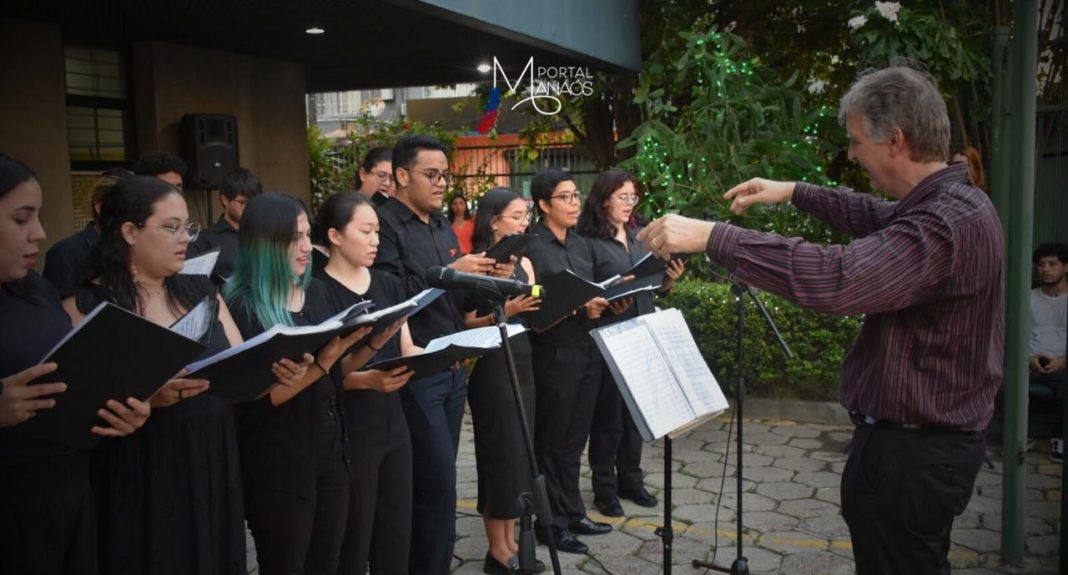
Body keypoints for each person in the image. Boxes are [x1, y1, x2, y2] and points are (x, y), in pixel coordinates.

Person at [639, 65, 1003, 575]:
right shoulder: (945, 204)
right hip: (911, 448)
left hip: (915, 456)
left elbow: (839, 278)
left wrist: (714, 237)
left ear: (895, 140)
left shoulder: (945, 223)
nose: (852, 154)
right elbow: (868, 214)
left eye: (856, 141)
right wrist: (792, 190)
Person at [62, 175, 288, 575]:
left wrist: (278, 366)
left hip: (211, 450)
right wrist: (150, 397)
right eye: (170, 228)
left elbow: (239, 363)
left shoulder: (201, 290)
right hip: (139, 464)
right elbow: (72, 406)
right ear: (129, 231)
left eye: (188, 227)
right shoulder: (86, 304)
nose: (184, 237)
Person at [0, 152, 150, 575]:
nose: (39, 233)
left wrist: (121, 410)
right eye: (20, 218)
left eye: (39, 216)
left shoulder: (35, 290)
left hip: (71, 491)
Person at [372, 134, 506, 574]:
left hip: (452, 366)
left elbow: (456, 295)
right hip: (415, 369)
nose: (442, 183)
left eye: (446, 175)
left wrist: (490, 274)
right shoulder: (383, 226)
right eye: (432, 174)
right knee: (435, 485)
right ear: (401, 176)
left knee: (437, 480)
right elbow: (391, 296)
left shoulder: (440, 225)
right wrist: (450, 274)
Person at [225, 191, 370, 575]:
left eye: (308, 234)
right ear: (264, 244)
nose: (307, 246)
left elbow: (334, 370)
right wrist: (322, 362)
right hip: (279, 462)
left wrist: (372, 340)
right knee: (287, 563)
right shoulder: (241, 306)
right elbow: (258, 400)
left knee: (328, 560)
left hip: (330, 449)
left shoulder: (315, 290)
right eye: (294, 238)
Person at [313, 190, 417, 574]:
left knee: (396, 528)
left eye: (378, 232)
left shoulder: (388, 283)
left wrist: (449, 353)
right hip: (348, 428)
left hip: (393, 419)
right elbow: (319, 372)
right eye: (366, 231)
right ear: (336, 236)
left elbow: (406, 346)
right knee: (355, 533)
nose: (376, 241)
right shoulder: (317, 290)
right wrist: (365, 380)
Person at [576, 169, 684, 518]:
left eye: (632, 197)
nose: (629, 203)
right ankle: (604, 487)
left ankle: (631, 480)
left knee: (635, 415)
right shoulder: (588, 240)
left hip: (641, 330)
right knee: (608, 417)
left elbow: (651, 283)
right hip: (609, 334)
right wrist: (611, 293)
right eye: (623, 197)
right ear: (603, 199)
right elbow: (587, 290)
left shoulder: (640, 235)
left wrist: (667, 281)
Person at [524, 167, 613, 555]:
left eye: (576, 195)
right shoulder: (533, 248)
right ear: (544, 204)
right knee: (552, 441)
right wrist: (581, 309)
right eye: (565, 197)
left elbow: (590, 290)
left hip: (587, 350)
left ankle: (573, 512)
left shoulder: (580, 244)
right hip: (554, 355)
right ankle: (550, 523)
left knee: (575, 439)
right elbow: (536, 305)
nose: (575, 203)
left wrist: (611, 301)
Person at [462, 188, 544, 574]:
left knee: (519, 454)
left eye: (525, 215)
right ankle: (497, 548)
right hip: (492, 363)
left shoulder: (524, 260)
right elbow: (465, 321)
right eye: (515, 215)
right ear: (494, 220)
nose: (523, 222)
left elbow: (536, 299)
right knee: (498, 453)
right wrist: (505, 311)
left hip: (522, 356)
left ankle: (511, 540)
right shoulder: (477, 263)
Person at [43, 167, 130, 295]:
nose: (132, 215)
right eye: (125, 206)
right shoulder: (65, 253)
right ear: (99, 206)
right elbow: (55, 309)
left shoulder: (134, 248)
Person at [187, 167, 263, 281]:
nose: (251, 207)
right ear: (225, 200)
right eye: (244, 202)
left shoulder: (265, 235)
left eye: (255, 202)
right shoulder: (204, 240)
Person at [1029, 242, 1068, 461]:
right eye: (1041, 264)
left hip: (1063, 364)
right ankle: (1023, 433)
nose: (1046, 269)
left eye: (1052, 264)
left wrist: (1063, 361)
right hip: (1032, 361)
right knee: (1000, 381)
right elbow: (1019, 336)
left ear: (1066, 267)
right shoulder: (1030, 298)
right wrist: (1029, 359)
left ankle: (1059, 438)